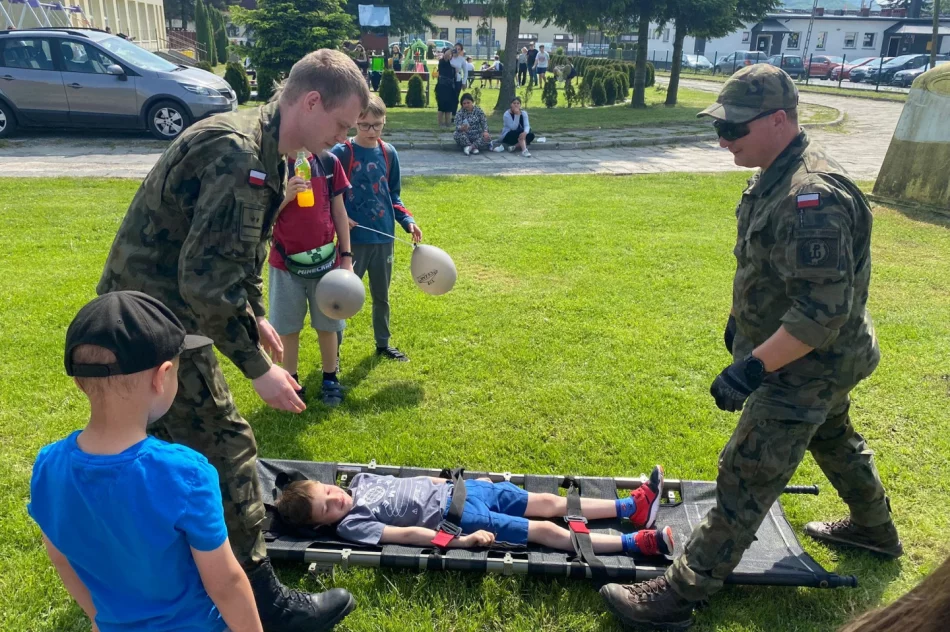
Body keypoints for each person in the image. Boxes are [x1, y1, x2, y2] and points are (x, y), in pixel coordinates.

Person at [599, 64, 901, 630]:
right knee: (834, 439)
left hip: (807, 366)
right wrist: (741, 331)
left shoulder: (813, 197)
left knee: (747, 470)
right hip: (816, 360)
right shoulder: (773, 177)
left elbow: (820, 311)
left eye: (735, 128)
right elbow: (770, 279)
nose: (723, 139)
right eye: (721, 126)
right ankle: (875, 530)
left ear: (779, 120)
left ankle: (678, 595)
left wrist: (753, 367)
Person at [96, 49, 368, 631]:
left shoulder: (265, 148)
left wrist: (257, 315)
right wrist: (256, 365)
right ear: (312, 102)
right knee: (227, 446)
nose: (342, 140)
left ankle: (167, 562)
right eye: (342, 126)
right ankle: (264, 599)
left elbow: (238, 255)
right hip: (156, 331)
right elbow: (204, 279)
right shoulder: (239, 153)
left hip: (156, 323)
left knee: (171, 455)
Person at [29, 291, 263, 632]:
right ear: (162, 376)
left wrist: (99, 618)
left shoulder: (47, 466)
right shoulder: (187, 474)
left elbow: (60, 558)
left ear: (80, 381)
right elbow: (225, 582)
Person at [275, 466, 673, 559]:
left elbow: (412, 482)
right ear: (322, 524)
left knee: (551, 502)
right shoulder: (351, 526)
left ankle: (630, 507)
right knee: (541, 530)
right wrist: (460, 541)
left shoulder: (358, 480)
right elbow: (407, 536)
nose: (335, 500)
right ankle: (632, 543)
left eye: (327, 491)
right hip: (464, 518)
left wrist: (444, 480)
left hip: (466, 490)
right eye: (326, 508)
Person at [331, 95, 423, 362]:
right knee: (343, 299)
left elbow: (393, 195)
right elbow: (327, 195)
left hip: (384, 240)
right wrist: (342, 218)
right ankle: (333, 352)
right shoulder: (342, 153)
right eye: (364, 125)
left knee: (381, 297)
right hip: (353, 242)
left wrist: (408, 222)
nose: (371, 131)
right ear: (354, 123)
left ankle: (383, 344)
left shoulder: (388, 153)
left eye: (377, 125)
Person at [268, 149, 353, 407]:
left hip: (326, 261)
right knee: (287, 327)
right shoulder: (273, 164)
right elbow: (261, 216)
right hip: (285, 263)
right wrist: (285, 197)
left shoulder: (328, 162)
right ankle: (290, 383)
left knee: (327, 324)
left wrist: (346, 257)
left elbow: (339, 212)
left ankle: (330, 379)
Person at [435, 47, 456, 128]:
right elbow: (446, 55)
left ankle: (448, 124)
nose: (450, 55)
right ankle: (440, 124)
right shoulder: (442, 61)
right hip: (442, 86)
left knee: (449, 107)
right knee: (441, 106)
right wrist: (453, 49)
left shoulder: (452, 64)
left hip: (450, 87)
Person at [450, 43, 468, 120]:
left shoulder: (462, 59)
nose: (457, 50)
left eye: (459, 49)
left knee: (455, 98)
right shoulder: (449, 58)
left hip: (457, 80)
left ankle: (453, 115)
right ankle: (448, 113)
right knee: (448, 98)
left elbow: (465, 71)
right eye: (456, 48)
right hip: (449, 80)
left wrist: (464, 82)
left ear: (461, 50)